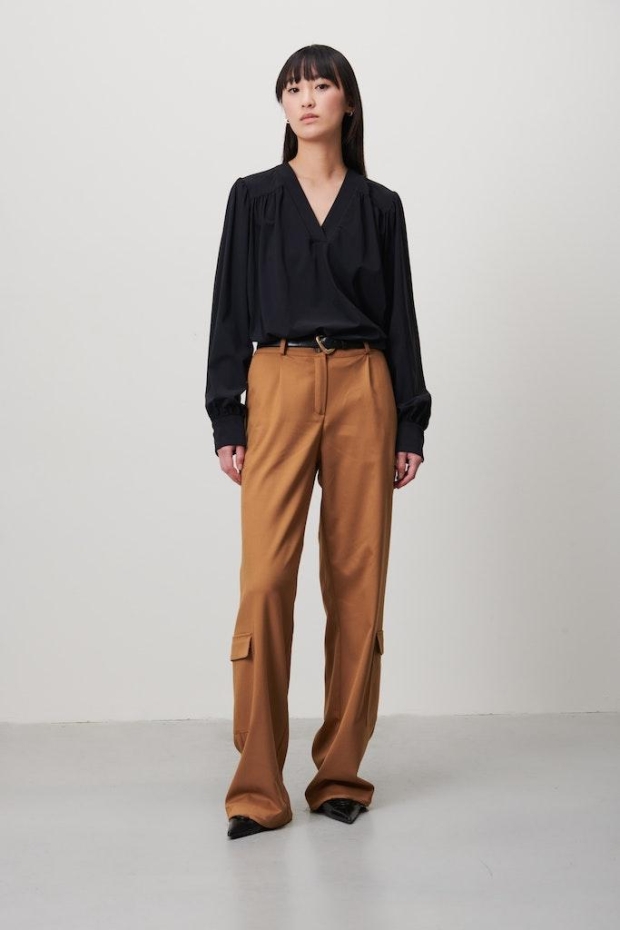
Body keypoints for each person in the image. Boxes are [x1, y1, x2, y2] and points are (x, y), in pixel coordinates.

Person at [205, 44, 432, 840]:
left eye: (322, 85)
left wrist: (410, 420)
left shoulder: (380, 207)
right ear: (282, 104)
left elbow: (401, 316)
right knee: (266, 581)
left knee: (357, 583)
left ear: (347, 103)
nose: (306, 98)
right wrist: (227, 416)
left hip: (367, 385)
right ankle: (257, 785)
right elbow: (230, 307)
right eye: (294, 87)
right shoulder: (254, 199)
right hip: (277, 380)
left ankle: (339, 774)